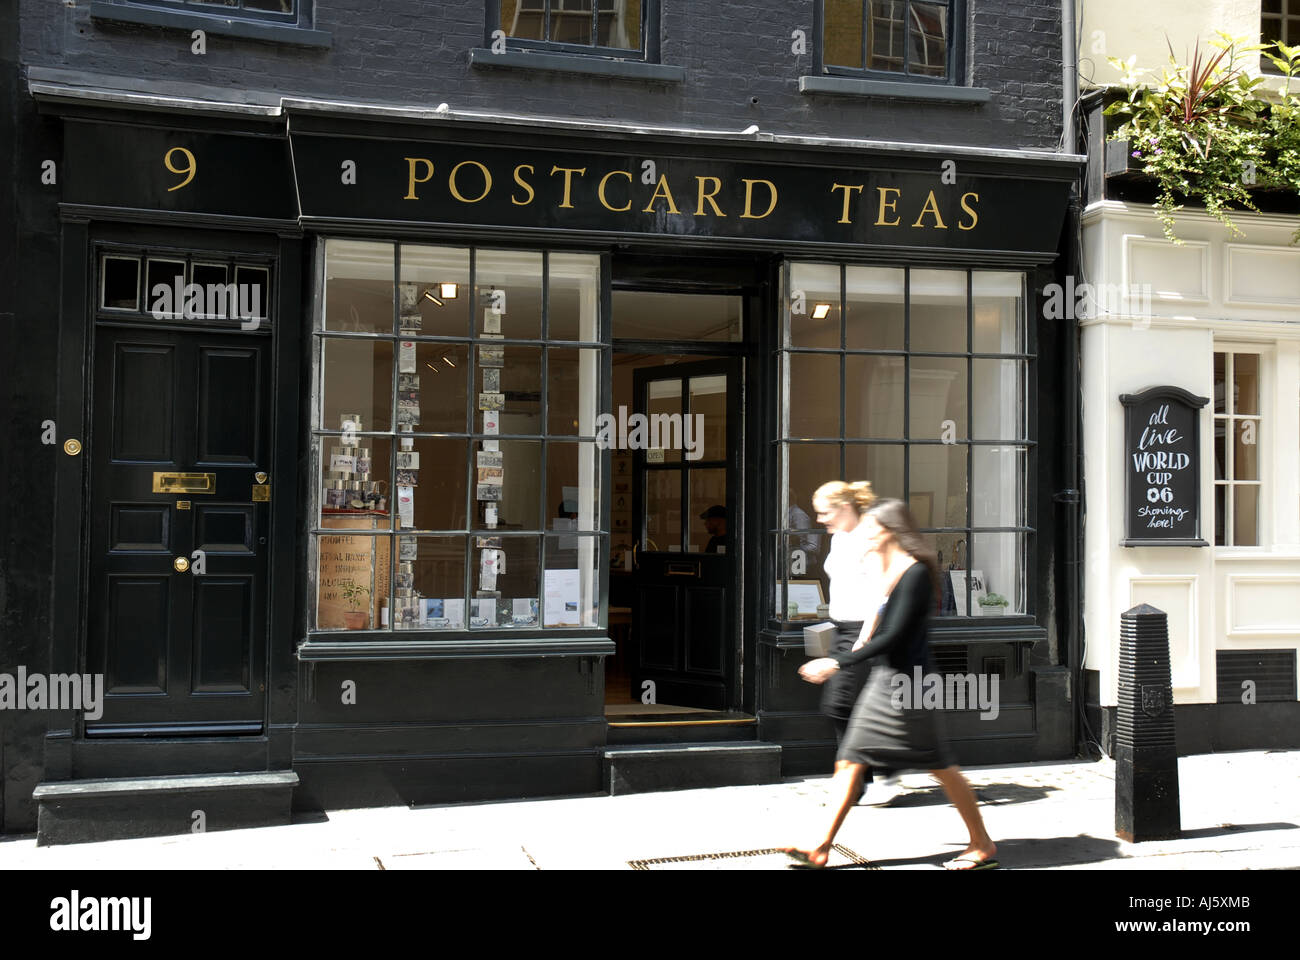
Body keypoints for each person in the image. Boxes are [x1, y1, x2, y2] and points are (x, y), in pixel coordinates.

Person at [785, 499, 999, 871]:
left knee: (941, 766)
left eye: (869, 530)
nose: (864, 536)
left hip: (911, 685)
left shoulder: (914, 573)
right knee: (850, 762)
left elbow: (895, 635)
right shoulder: (888, 569)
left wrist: (837, 661)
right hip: (887, 681)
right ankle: (819, 847)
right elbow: (877, 619)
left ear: (887, 531)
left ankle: (981, 843)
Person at [808, 481, 880, 802]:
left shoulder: (870, 536)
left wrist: (866, 636)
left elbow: (883, 592)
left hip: (864, 631)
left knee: (841, 705)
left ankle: (854, 780)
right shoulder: (838, 538)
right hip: (841, 628)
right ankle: (861, 779)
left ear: (845, 507)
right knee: (845, 706)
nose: (820, 519)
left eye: (825, 512)